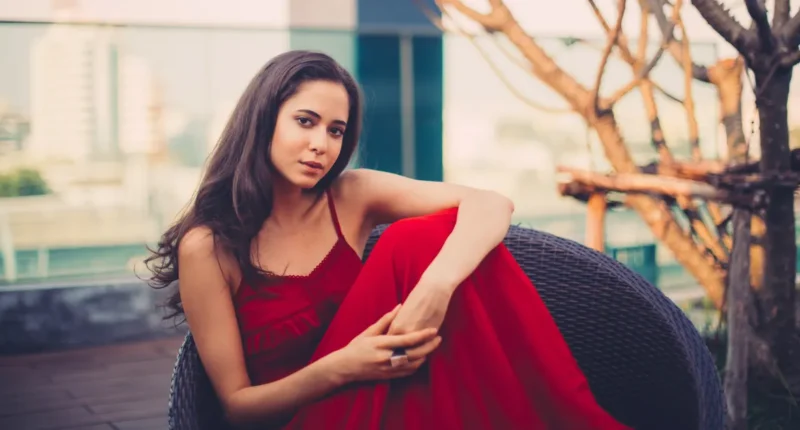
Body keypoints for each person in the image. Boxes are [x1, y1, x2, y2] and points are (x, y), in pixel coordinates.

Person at [146, 50, 631, 430]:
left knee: (431, 242)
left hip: (386, 394)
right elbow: (237, 409)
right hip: (309, 414)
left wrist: (433, 292)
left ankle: (559, 414)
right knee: (410, 242)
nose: (321, 144)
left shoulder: (351, 195)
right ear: (264, 118)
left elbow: (491, 203)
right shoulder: (208, 247)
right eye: (305, 121)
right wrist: (344, 367)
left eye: (336, 131)